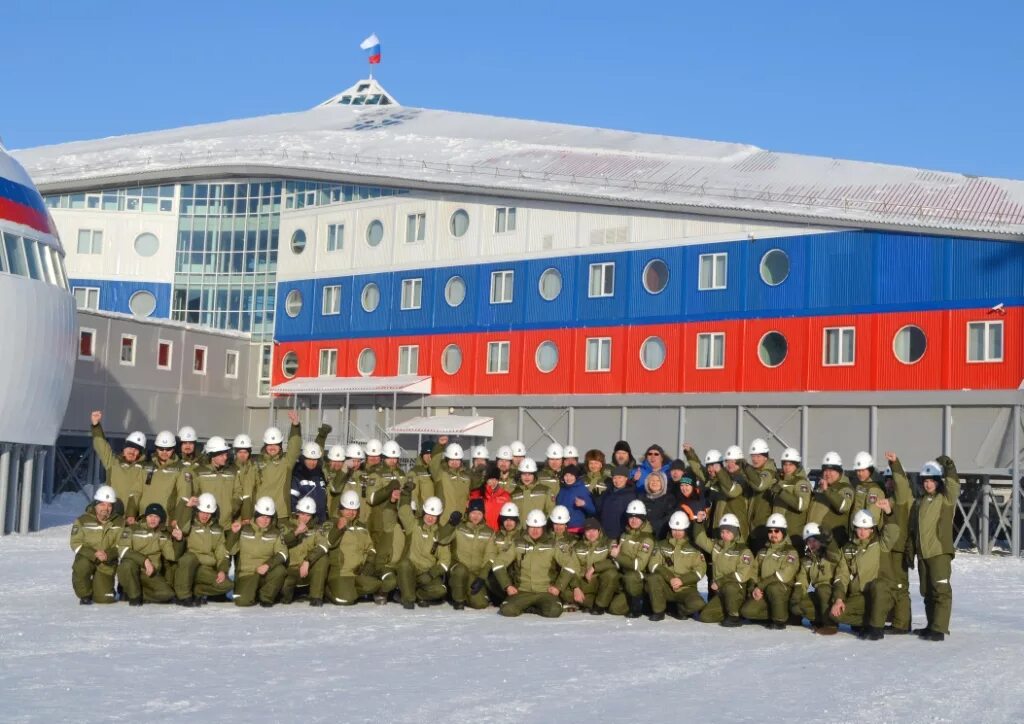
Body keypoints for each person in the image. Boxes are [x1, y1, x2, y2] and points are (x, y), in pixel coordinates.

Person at [906, 456, 960, 642]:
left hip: (939, 552)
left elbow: (953, 486)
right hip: (923, 554)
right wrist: (911, 551)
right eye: (925, 481)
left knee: (941, 590)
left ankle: (939, 628)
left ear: (938, 482)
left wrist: (949, 467)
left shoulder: (945, 499)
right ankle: (931, 625)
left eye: (931, 481)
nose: (928, 485)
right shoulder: (919, 503)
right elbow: (914, 529)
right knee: (927, 591)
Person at [829, 507, 900, 640]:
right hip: (859, 596)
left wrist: (889, 513)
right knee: (835, 615)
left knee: (878, 584)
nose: (862, 532)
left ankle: (876, 628)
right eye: (859, 528)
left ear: (872, 529)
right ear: (854, 528)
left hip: (882, 596)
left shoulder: (880, 544)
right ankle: (867, 621)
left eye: (866, 528)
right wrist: (839, 599)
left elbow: (893, 532)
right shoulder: (847, 549)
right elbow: (841, 576)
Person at [494, 510, 577, 618]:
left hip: (545, 591)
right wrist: (508, 586)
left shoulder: (552, 544)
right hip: (522, 591)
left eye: (538, 527)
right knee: (506, 610)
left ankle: (536, 608)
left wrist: (558, 587)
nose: (535, 531)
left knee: (554, 611)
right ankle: (527, 606)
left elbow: (570, 564)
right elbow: (498, 563)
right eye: (532, 527)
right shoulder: (518, 543)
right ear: (527, 526)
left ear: (543, 527)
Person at [309, 490, 380, 606]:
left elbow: (371, 548)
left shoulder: (361, 527)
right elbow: (327, 543)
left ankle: (350, 590)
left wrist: (369, 563)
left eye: (354, 510)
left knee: (375, 585)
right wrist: (338, 528)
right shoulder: (331, 524)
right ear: (341, 508)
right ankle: (327, 589)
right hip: (341, 573)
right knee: (346, 600)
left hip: (357, 573)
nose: (351, 513)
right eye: (347, 509)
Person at [693, 513, 755, 626]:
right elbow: (700, 540)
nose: (724, 535)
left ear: (735, 532)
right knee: (705, 616)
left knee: (730, 586)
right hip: (721, 592)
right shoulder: (717, 546)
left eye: (728, 532)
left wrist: (719, 582)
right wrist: (698, 523)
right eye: (722, 532)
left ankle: (734, 616)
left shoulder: (744, 551)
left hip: (737, 592)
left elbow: (742, 575)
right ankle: (729, 609)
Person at [739, 513, 800, 629]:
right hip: (764, 591)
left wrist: (760, 586)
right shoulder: (762, 551)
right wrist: (753, 589)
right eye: (770, 531)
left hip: (783, 590)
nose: (773, 534)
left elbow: (783, 576)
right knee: (747, 612)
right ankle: (776, 611)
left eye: (777, 531)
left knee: (774, 587)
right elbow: (753, 572)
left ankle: (780, 619)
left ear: (783, 532)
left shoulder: (790, 552)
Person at [173, 493, 232, 606]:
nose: (205, 516)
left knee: (227, 585)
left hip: (206, 568)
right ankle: (183, 596)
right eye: (203, 512)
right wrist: (188, 507)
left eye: (209, 513)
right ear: (197, 511)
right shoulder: (190, 524)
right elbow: (181, 527)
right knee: (188, 559)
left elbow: (221, 553)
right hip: (189, 565)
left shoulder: (217, 530)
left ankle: (196, 591)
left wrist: (222, 570)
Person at [116, 503, 182, 605]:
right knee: (127, 564)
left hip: (150, 573)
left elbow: (172, 556)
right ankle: (134, 597)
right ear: (146, 517)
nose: (153, 519)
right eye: (150, 516)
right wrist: (144, 561)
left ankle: (133, 591)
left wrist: (179, 540)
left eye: (156, 517)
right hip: (133, 570)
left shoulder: (163, 534)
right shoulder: (132, 529)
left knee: (167, 594)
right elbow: (123, 549)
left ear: (160, 519)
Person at [646, 511, 707, 621]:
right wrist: (670, 578)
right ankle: (659, 611)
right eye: (674, 529)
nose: (677, 533)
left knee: (699, 603)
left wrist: (682, 580)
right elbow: (653, 565)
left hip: (686, 588)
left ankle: (680, 610)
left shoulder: (694, 548)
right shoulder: (661, 544)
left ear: (686, 529)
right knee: (652, 578)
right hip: (667, 586)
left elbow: (700, 570)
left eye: (680, 530)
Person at [393, 496, 451, 609]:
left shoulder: (440, 534)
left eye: (434, 516)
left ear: (438, 516)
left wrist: (431, 574)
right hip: (411, 569)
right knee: (404, 564)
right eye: (428, 514)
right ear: (424, 512)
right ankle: (408, 598)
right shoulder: (413, 525)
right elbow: (404, 512)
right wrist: (406, 493)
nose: (430, 518)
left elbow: (445, 560)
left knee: (441, 590)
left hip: (427, 572)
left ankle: (419, 595)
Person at [90, 410, 147, 523]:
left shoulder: (146, 469)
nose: (132, 451)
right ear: (124, 449)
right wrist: (96, 426)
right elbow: (102, 446)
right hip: (112, 514)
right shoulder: (114, 463)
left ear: (140, 453)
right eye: (130, 448)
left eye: (136, 450)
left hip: (134, 518)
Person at [70, 485, 123, 604]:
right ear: (96, 504)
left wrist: (108, 554)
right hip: (88, 559)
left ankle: (103, 587)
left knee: (105, 599)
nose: (106, 508)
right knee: (81, 565)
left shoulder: (120, 522)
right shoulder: (82, 520)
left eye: (109, 505)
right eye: (103, 504)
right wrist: (94, 554)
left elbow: (123, 544)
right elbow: (75, 542)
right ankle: (85, 594)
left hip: (107, 563)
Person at [231, 496, 288, 607]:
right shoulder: (244, 528)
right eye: (262, 516)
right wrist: (234, 534)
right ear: (256, 515)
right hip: (246, 575)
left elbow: (283, 554)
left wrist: (268, 565)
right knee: (242, 602)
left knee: (280, 570)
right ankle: (251, 592)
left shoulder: (276, 533)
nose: (265, 520)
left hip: (264, 573)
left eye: (268, 517)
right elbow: (231, 550)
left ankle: (265, 597)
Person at [880, 451, 915, 634]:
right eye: (887, 480)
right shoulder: (890, 500)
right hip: (889, 547)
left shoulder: (903, 497)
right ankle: (898, 619)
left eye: (891, 479)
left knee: (900, 586)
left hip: (900, 548)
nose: (889, 483)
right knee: (891, 584)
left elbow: (901, 483)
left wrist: (895, 464)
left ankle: (901, 624)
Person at [789, 523, 839, 634]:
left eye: (815, 540)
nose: (812, 544)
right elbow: (802, 581)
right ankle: (819, 620)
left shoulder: (829, 554)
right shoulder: (807, 560)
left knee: (823, 589)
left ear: (821, 541)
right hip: (818, 592)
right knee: (802, 601)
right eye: (809, 541)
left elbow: (835, 554)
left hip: (832, 593)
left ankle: (830, 624)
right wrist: (796, 598)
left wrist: (829, 539)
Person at [252, 411, 303, 520]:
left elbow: (294, 448)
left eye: (275, 444)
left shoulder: (286, 462)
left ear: (280, 446)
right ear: (265, 445)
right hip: (261, 513)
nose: (272, 447)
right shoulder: (256, 463)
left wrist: (295, 426)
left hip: (281, 513)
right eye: (269, 444)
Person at [365, 440, 407, 572]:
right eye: (390, 457)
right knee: (378, 551)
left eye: (395, 458)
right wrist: (389, 489)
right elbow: (371, 498)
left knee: (395, 551)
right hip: (380, 518)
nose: (393, 461)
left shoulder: (401, 473)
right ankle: (375, 582)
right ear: (384, 457)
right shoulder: (376, 473)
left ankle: (388, 582)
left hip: (398, 518)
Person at [448, 499, 496, 610]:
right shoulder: (459, 527)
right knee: (460, 570)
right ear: (468, 513)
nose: (476, 516)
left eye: (479, 513)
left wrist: (482, 577)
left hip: (475, 573)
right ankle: (458, 600)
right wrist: (450, 524)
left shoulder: (489, 532)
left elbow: (490, 555)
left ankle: (464, 593)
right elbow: (443, 539)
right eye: (473, 513)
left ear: (483, 514)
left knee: (481, 604)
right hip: (458, 567)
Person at [612, 499, 656, 618]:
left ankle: (638, 603)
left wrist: (617, 556)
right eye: (631, 517)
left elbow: (639, 565)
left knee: (631, 576)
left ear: (643, 518)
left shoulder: (647, 539)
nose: (634, 520)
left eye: (637, 517)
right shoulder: (625, 534)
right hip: (625, 574)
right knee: (615, 609)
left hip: (640, 576)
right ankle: (629, 597)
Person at [569, 518, 622, 615]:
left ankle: (600, 606)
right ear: (584, 533)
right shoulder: (577, 546)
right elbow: (572, 569)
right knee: (566, 590)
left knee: (611, 574)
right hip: (585, 582)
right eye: (588, 531)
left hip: (603, 582)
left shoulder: (609, 542)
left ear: (599, 530)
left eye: (594, 530)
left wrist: (595, 567)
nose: (591, 534)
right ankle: (593, 603)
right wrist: (576, 587)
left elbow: (615, 562)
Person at [140, 430, 190, 530]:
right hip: (144, 520)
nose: (164, 452)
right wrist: (131, 513)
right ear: (156, 448)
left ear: (173, 449)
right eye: (161, 449)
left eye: (168, 449)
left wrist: (177, 518)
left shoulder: (181, 469)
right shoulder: (146, 467)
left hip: (166, 522)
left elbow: (184, 497)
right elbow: (136, 491)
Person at [189, 436, 237, 529]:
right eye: (222, 455)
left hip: (225, 523)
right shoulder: (198, 472)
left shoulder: (232, 472)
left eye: (226, 454)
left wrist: (231, 508)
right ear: (212, 455)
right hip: (204, 523)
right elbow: (193, 495)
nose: (225, 457)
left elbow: (238, 492)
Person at [280, 496, 321, 604]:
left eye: (308, 515)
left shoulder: (316, 529)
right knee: (285, 597)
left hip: (307, 568)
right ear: (297, 512)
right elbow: (282, 543)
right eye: (302, 514)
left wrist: (308, 561)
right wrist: (296, 533)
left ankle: (315, 595)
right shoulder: (286, 526)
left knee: (323, 559)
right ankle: (295, 592)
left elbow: (322, 545)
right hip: (291, 570)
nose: (305, 518)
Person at [808, 451, 854, 547]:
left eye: (831, 470)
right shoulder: (821, 487)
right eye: (825, 470)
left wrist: (827, 490)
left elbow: (843, 506)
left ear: (839, 471)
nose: (827, 474)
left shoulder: (845, 488)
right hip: (814, 540)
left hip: (833, 543)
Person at [771, 447, 812, 549]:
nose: (787, 467)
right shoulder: (780, 481)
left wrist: (781, 492)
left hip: (793, 534)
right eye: (785, 464)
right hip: (778, 533)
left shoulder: (801, 483)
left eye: (790, 464)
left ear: (797, 466)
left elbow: (802, 505)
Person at [429, 437, 475, 526]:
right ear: (447, 459)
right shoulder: (440, 474)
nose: (454, 462)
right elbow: (434, 464)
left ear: (461, 460)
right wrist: (440, 446)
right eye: (452, 459)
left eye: (457, 459)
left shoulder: (466, 477)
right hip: (444, 520)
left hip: (461, 520)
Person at [485, 502, 521, 604]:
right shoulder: (496, 536)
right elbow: (491, 553)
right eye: (506, 519)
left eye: (511, 519)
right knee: (489, 578)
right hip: (500, 572)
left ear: (516, 520)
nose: (508, 523)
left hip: (517, 573)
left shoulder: (522, 536)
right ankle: (503, 598)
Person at [289, 441, 330, 524]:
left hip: (321, 521)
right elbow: (292, 502)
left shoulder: (321, 474)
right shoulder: (297, 476)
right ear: (304, 458)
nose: (312, 462)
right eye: (309, 459)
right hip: (305, 522)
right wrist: (296, 521)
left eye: (315, 460)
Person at [595, 466, 636, 540]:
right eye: (614, 478)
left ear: (626, 478)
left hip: (619, 533)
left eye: (620, 477)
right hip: (604, 532)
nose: (617, 480)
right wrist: (596, 499)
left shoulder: (631, 495)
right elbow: (599, 510)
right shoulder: (607, 492)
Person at [554, 464, 596, 534]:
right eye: (566, 475)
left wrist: (584, 504)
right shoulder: (562, 489)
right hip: (563, 527)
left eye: (571, 475)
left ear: (576, 477)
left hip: (577, 528)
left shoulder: (581, 489)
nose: (568, 478)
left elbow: (593, 510)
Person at [232, 434, 259, 522]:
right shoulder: (230, 469)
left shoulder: (255, 468)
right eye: (240, 452)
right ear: (235, 452)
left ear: (249, 452)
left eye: (245, 452)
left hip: (252, 511)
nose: (242, 455)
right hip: (234, 512)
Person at [640, 471, 675, 539]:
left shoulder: (669, 499)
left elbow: (669, 518)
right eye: (652, 480)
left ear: (663, 483)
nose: (654, 482)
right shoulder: (641, 498)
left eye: (658, 480)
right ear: (647, 482)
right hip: (643, 537)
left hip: (660, 538)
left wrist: (654, 525)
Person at [479, 465, 512, 531]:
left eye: (496, 479)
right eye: (491, 479)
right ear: (486, 479)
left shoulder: (506, 496)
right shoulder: (479, 494)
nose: (493, 482)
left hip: (498, 533)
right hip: (483, 533)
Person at [406, 440, 436, 512]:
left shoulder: (440, 470)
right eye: (426, 454)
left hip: (439, 512)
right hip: (423, 512)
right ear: (422, 455)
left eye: (431, 454)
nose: (429, 457)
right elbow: (413, 494)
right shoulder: (415, 472)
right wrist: (416, 511)